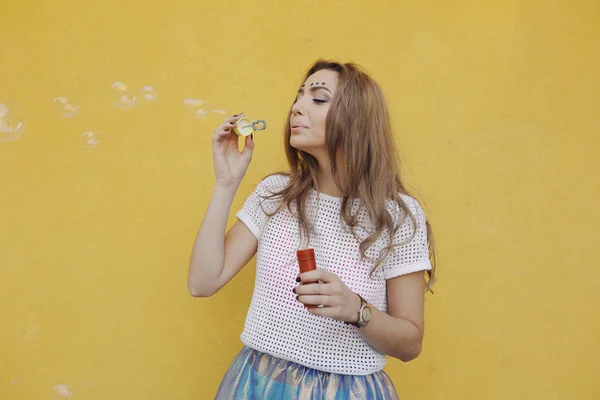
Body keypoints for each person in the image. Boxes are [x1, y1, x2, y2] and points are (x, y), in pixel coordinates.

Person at [188, 59, 437, 399]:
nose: (297, 108)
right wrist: (225, 183)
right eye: (298, 97)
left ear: (356, 119)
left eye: (318, 99)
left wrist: (357, 310)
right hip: (260, 386)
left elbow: (410, 344)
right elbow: (202, 283)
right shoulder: (275, 194)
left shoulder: (397, 217)